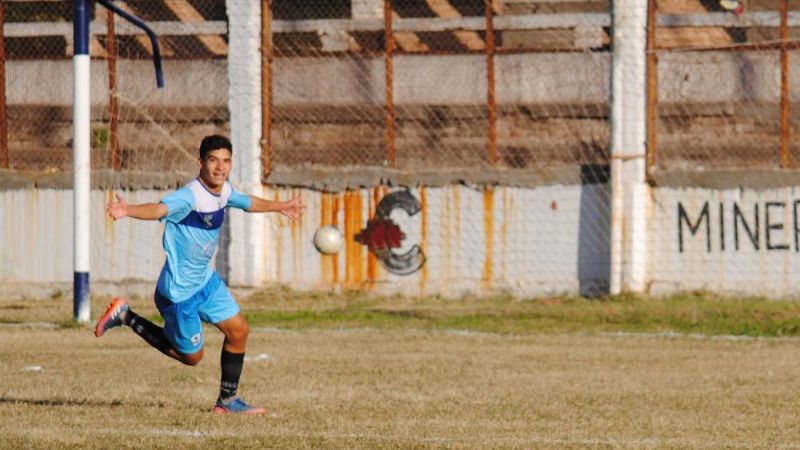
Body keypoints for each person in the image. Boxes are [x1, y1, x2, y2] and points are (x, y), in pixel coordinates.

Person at [95, 134, 304, 415]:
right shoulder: (189, 196)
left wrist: (281, 206)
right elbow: (160, 208)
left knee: (239, 331)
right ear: (200, 163)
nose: (220, 167)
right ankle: (125, 316)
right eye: (213, 160)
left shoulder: (224, 191)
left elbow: (247, 202)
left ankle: (227, 402)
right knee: (192, 358)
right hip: (179, 294)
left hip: (205, 282)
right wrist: (128, 210)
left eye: (226, 161)